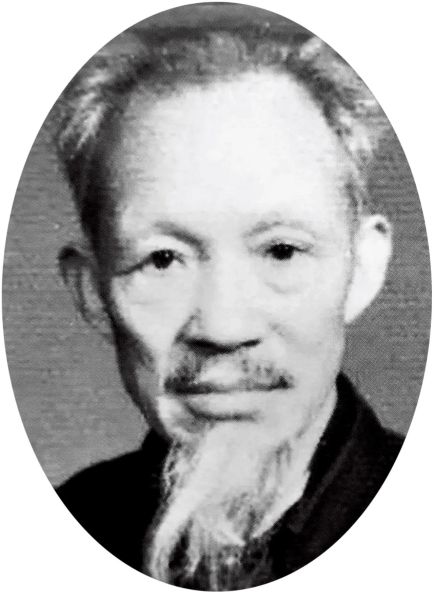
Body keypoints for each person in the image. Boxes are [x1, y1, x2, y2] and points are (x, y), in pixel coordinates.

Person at [54, 19, 403, 591]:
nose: (222, 326)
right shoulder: (53, 534)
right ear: (92, 293)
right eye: (163, 259)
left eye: (281, 251)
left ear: (361, 269)